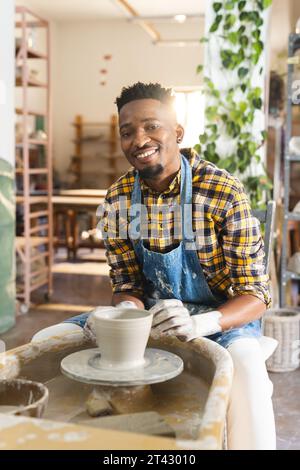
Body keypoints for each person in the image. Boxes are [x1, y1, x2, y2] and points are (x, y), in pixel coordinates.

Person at [32, 82, 277, 450]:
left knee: (245, 368)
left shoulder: (223, 191)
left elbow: (256, 295)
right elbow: (127, 285)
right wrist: (122, 314)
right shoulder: (117, 198)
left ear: (177, 132)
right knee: (44, 343)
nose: (139, 139)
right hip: (148, 321)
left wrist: (202, 322)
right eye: (127, 132)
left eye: (151, 126)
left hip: (221, 320)